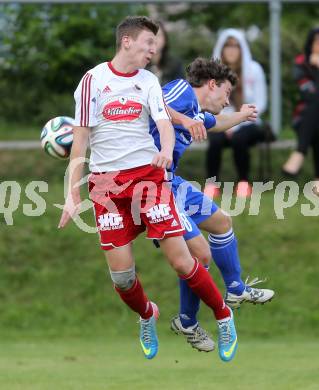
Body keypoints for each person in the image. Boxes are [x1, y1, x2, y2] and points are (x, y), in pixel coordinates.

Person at [58, 16, 239, 362]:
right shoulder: (91, 82)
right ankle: (146, 315)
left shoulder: (149, 82)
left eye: (154, 44)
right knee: (123, 278)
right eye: (148, 43)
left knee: (184, 261)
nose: (153, 49)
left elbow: (164, 125)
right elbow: (80, 143)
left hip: (148, 179)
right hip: (107, 186)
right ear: (127, 41)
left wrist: (167, 151)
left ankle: (223, 316)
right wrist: (72, 194)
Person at [150, 57, 275, 352]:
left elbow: (217, 123)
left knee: (221, 222)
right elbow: (153, 106)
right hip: (151, 186)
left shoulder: (194, 109)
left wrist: (242, 116)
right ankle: (188, 321)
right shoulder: (181, 91)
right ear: (211, 84)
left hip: (172, 182)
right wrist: (184, 120)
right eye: (227, 93)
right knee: (199, 254)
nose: (228, 100)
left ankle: (235, 289)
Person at [206, 29, 268, 197]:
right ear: (221, 49)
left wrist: (239, 121)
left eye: (236, 46)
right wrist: (227, 123)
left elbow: (261, 103)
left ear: (242, 49)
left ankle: (243, 182)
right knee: (216, 140)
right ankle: (212, 184)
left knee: (240, 139)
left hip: (250, 122)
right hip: (222, 121)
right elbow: (210, 103)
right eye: (227, 46)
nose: (231, 50)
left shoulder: (254, 69)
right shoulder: (213, 73)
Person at [282, 27, 319, 194]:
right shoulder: (301, 63)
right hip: (304, 118)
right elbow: (309, 94)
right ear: (310, 44)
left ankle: (300, 151)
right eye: (317, 42)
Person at [147, 21, 185, 85]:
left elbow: (180, 90)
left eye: (158, 35)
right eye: (151, 36)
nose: (155, 39)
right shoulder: (138, 65)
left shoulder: (175, 64)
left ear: (165, 39)